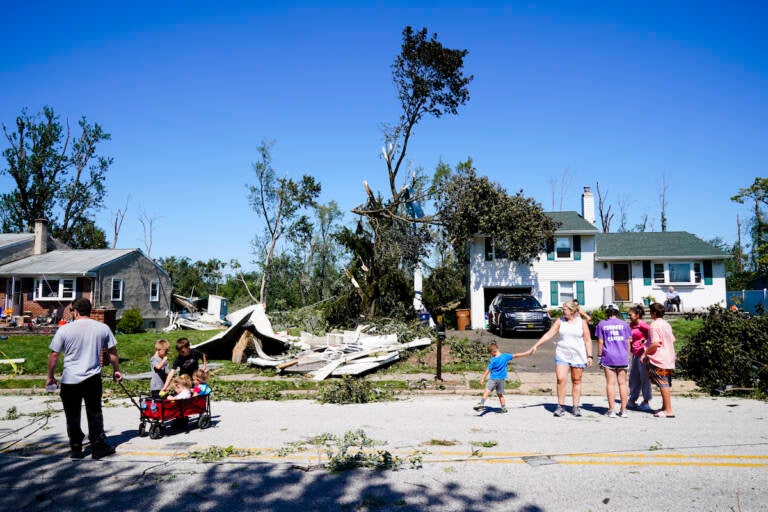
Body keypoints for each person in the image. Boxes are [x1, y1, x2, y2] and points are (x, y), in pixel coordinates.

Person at [46, 298, 122, 459]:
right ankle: (98, 446)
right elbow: (113, 352)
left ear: (75, 311)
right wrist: (117, 370)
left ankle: (76, 447)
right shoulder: (102, 328)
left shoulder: (64, 330)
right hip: (92, 378)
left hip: (70, 379)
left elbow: (54, 355)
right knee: (94, 412)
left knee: (72, 414)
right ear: (90, 311)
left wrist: (50, 376)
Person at [530, 300, 594, 417]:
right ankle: (560, 406)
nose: (562, 311)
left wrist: (589, 356)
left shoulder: (582, 323)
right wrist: (536, 345)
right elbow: (549, 334)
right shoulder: (560, 321)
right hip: (562, 354)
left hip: (578, 355)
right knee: (560, 379)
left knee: (576, 380)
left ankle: (575, 407)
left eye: (564, 309)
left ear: (572, 311)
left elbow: (588, 340)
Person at [473, 342, 533, 413]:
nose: (491, 355)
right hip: (501, 379)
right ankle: (504, 408)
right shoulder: (505, 356)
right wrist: (527, 353)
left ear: (493, 352)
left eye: (491, 354)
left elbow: (488, 370)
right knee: (500, 395)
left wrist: (483, 378)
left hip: (493, 379)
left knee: (487, 391)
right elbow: (516, 355)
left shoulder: (493, 360)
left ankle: (482, 403)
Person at [595, 305, 632, 418]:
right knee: (623, 383)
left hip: (609, 356)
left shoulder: (602, 324)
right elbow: (628, 342)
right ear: (617, 312)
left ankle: (611, 410)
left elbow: (600, 342)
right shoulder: (624, 324)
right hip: (622, 356)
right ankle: (623, 410)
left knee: (610, 383)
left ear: (606, 312)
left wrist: (599, 356)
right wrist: (627, 355)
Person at [642, 302, 676, 418]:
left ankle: (668, 410)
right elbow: (672, 340)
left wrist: (645, 353)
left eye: (650, 312)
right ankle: (664, 407)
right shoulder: (667, 324)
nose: (650, 314)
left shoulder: (654, 325)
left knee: (663, 383)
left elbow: (655, 343)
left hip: (659, 358)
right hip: (668, 357)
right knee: (665, 382)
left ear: (654, 313)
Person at [627, 305, 653, 411]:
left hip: (643, 354)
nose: (629, 316)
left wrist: (645, 341)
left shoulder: (643, 325)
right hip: (635, 353)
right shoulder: (632, 324)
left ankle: (646, 401)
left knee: (644, 378)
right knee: (633, 377)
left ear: (637, 315)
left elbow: (653, 335)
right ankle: (632, 400)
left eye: (630, 314)